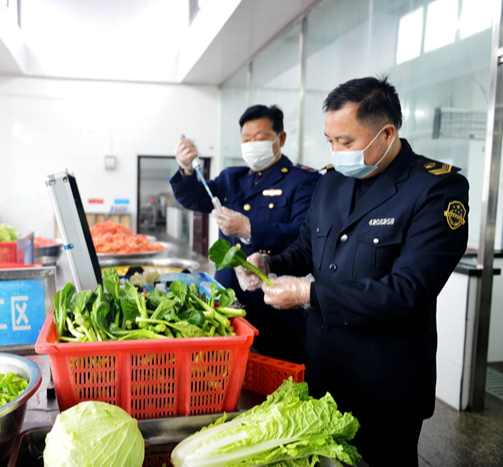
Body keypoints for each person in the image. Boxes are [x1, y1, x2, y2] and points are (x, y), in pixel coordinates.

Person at [236, 77, 469, 466]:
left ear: (387, 132)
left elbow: (408, 290)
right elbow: (309, 249)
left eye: (345, 142)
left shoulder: (435, 190)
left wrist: (309, 295)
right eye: (330, 141)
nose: (336, 151)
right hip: (325, 372)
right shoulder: (331, 182)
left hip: (385, 384)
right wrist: (270, 262)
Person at [170, 105, 320, 362]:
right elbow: (195, 198)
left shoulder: (302, 180)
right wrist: (186, 169)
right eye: (246, 140)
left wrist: (251, 229)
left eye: (260, 138)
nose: (252, 145)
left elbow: (303, 236)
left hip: (276, 307)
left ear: (280, 138)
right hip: (228, 304)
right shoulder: (232, 178)